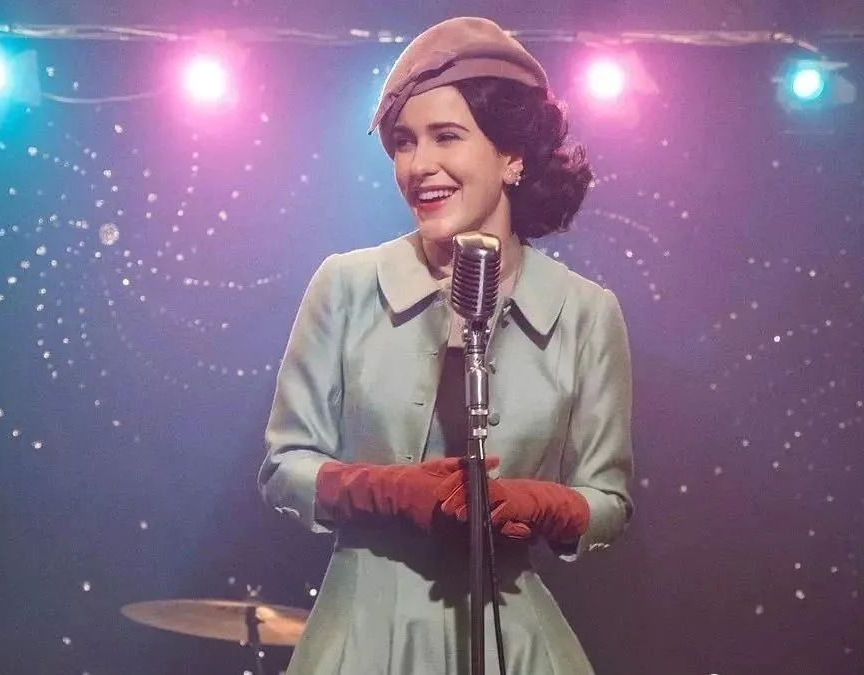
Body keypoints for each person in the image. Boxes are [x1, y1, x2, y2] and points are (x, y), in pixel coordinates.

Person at [258, 16, 634, 675]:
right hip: (363, 638)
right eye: (404, 142)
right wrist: (385, 489)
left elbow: (610, 501)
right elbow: (283, 466)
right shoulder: (346, 285)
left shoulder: (585, 312)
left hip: (511, 642)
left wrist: (541, 504)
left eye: (446, 136)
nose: (418, 165)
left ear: (512, 156)